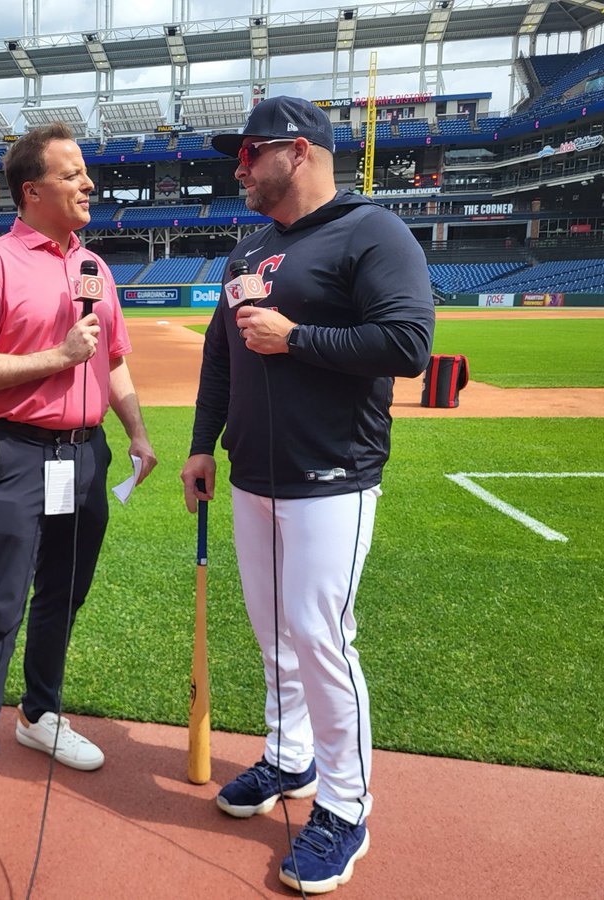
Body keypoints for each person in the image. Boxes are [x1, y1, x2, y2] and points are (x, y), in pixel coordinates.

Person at [180, 96, 435, 895]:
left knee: (322, 640)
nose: (239, 168)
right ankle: (289, 761)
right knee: (274, 637)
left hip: (334, 476)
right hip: (253, 474)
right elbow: (220, 358)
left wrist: (298, 338)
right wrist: (200, 443)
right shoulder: (247, 250)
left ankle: (346, 807)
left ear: (298, 152)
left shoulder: (373, 233)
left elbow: (408, 346)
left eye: (250, 153)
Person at [0, 122, 157, 843]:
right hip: (16, 453)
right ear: (32, 190)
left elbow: (115, 358)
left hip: (85, 454)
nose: (89, 185)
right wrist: (56, 356)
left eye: (86, 174)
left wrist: (135, 431)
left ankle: (39, 715)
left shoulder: (94, 265)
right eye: (73, 175)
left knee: (65, 591)